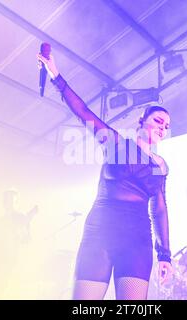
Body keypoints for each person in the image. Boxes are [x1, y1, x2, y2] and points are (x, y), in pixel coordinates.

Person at [37, 52, 173, 300]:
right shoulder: (115, 143)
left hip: (137, 240)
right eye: (158, 120)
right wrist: (56, 76)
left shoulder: (160, 166)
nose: (163, 128)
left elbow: (160, 209)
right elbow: (83, 112)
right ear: (142, 120)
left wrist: (165, 255)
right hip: (100, 233)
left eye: (167, 126)